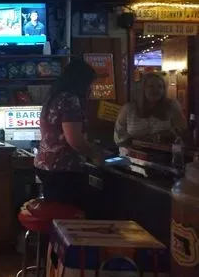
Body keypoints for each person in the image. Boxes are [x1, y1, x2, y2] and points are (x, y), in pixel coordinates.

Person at [34, 59, 103, 207]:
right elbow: (74, 140)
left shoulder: (53, 97)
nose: (90, 89)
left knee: (56, 212)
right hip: (63, 168)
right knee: (68, 214)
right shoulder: (70, 100)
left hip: (46, 165)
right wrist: (96, 154)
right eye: (90, 84)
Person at [114, 72, 186, 146]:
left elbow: (183, 132)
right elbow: (118, 138)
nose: (156, 90)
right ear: (143, 89)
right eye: (151, 86)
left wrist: (166, 135)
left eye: (160, 86)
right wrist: (138, 141)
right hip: (133, 151)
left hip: (164, 151)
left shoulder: (172, 106)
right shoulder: (129, 109)